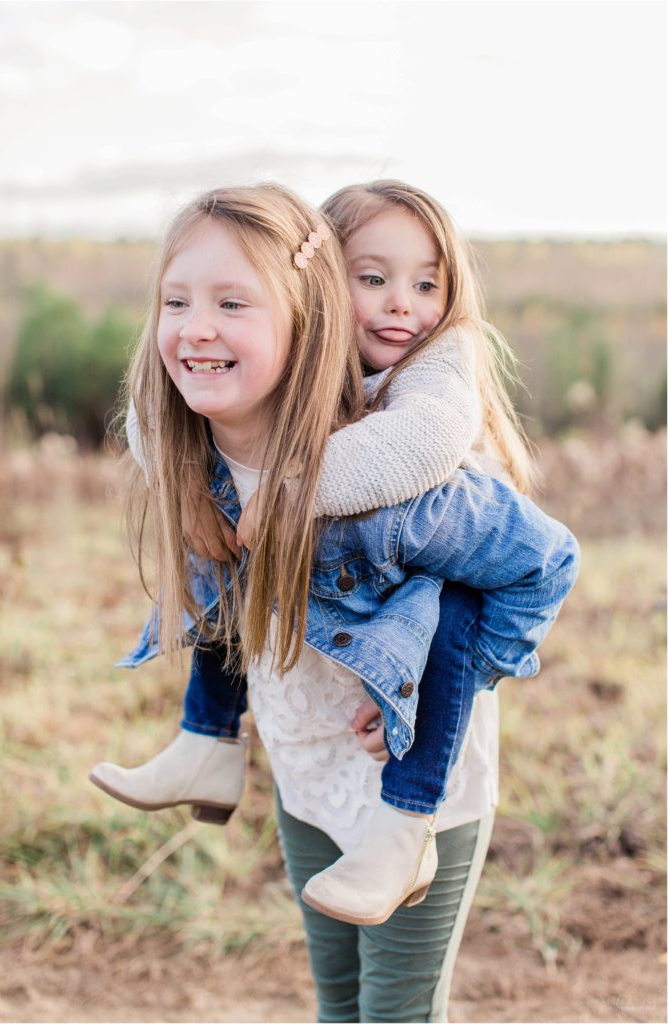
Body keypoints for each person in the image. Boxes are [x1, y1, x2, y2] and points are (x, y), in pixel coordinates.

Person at [93, 183, 579, 1020]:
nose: (401, 307)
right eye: (373, 279)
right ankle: (206, 737)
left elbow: (544, 561)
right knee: (339, 1004)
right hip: (305, 761)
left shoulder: (398, 466)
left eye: (427, 285)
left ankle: (392, 808)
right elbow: (154, 406)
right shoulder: (229, 428)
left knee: (393, 1013)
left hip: (409, 781)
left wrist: (444, 685)